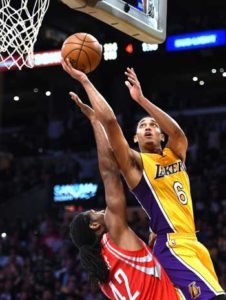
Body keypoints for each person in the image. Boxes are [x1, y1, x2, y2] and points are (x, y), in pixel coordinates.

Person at [62, 59, 226, 300]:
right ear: (135, 139)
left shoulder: (175, 152)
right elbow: (111, 128)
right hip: (172, 245)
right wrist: (85, 82)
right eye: (142, 126)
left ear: (161, 134)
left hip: (192, 241)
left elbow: (178, 133)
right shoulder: (135, 165)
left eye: (153, 125)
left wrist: (141, 100)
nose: (148, 127)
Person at [69, 94, 179, 299]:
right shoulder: (115, 234)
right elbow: (109, 172)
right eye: (95, 212)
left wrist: (150, 250)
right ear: (95, 226)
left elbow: (142, 279)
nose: (101, 210)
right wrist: (95, 121)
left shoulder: (103, 277)